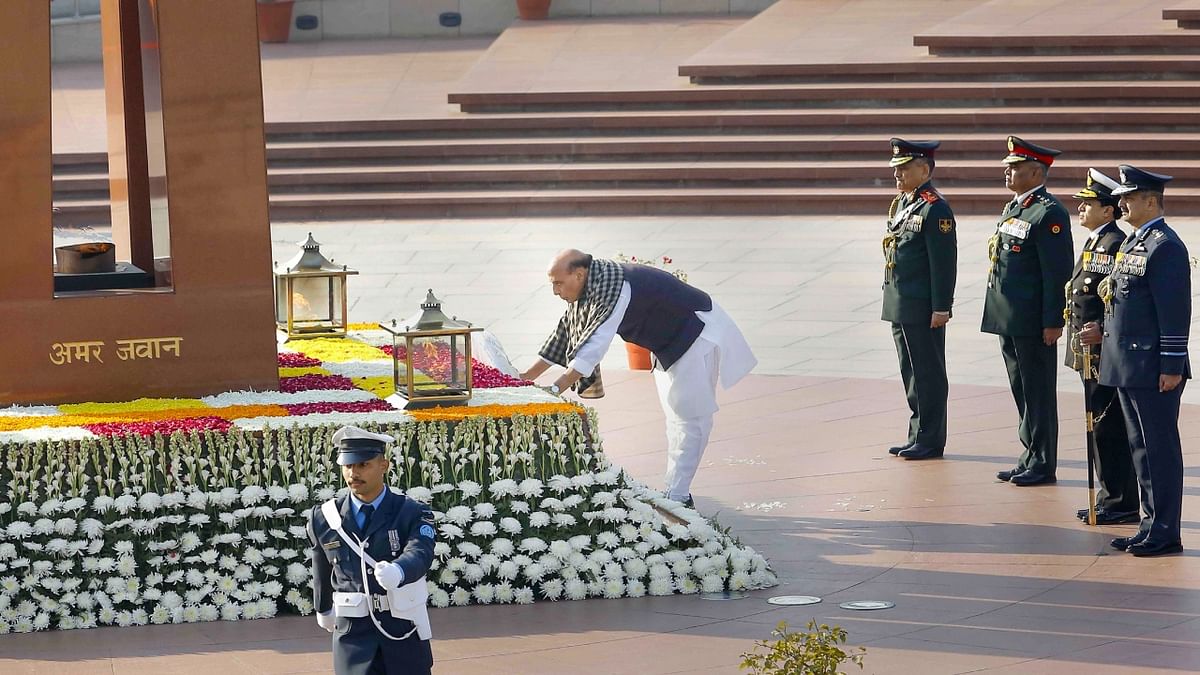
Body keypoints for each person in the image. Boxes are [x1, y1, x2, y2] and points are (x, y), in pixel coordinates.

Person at [521, 249, 757, 506]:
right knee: (675, 418)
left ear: (578, 275)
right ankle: (674, 490)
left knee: (692, 418)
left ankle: (678, 496)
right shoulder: (593, 283)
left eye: (558, 283)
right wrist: (524, 378)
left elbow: (593, 347)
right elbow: (564, 333)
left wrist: (554, 390)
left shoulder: (614, 289)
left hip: (696, 334)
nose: (555, 291)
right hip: (667, 343)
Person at [1083, 166, 1189, 557]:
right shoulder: (1133, 242)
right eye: (1121, 197)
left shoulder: (1165, 245)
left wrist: (1172, 365)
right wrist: (1102, 331)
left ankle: (1166, 530)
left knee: (1159, 448)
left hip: (1152, 367)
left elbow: (1174, 311)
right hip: (1127, 363)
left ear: (1150, 200)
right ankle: (1149, 524)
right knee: (1140, 448)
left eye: (1129, 197)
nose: (1121, 203)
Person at [308, 426, 436, 674]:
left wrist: (399, 570)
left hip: (402, 629)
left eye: (363, 464)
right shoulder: (325, 517)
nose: (353, 473)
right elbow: (320, 565)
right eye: (347, 466)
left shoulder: (411, 512)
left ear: (384, 465)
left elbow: (421, 551)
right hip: (352, 635)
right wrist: (322, 607)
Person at [983, 136, 1074, 486]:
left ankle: (1043, 461)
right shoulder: (1015, 207)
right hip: (1010, 317)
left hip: (1034, 321)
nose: (1008, 172)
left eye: (1015, 167)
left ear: (1036, 171)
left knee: (1038, 391)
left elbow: (1057, 274)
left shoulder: (1049, 212)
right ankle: (1029, 453)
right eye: (1008, 166)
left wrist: (1054, 320)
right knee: (1021, 388)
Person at [1065, 169, 1139, 525]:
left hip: (1103, 351)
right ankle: (1108, 496)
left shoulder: (1114, 244)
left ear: (1108, 210)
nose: (1080, 208)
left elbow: (1121, 301)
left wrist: (1105, 331)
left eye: (1089, 203)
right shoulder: (1097, 241)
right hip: (1088, 353)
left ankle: (1122, 501)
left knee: (1110, 428)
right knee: (1097, 425)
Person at [881, 138, 957, 460]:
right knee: (910, 371)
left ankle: (930, 438)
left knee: (927, 372)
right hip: (901, 302)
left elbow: (943, 262)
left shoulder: (934, 207)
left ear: (924, 169)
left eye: (904, 168)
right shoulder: (904, 202)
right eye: (896, 168)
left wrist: (942, 306)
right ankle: (917, 432)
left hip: (923, 306)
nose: (897, 175)